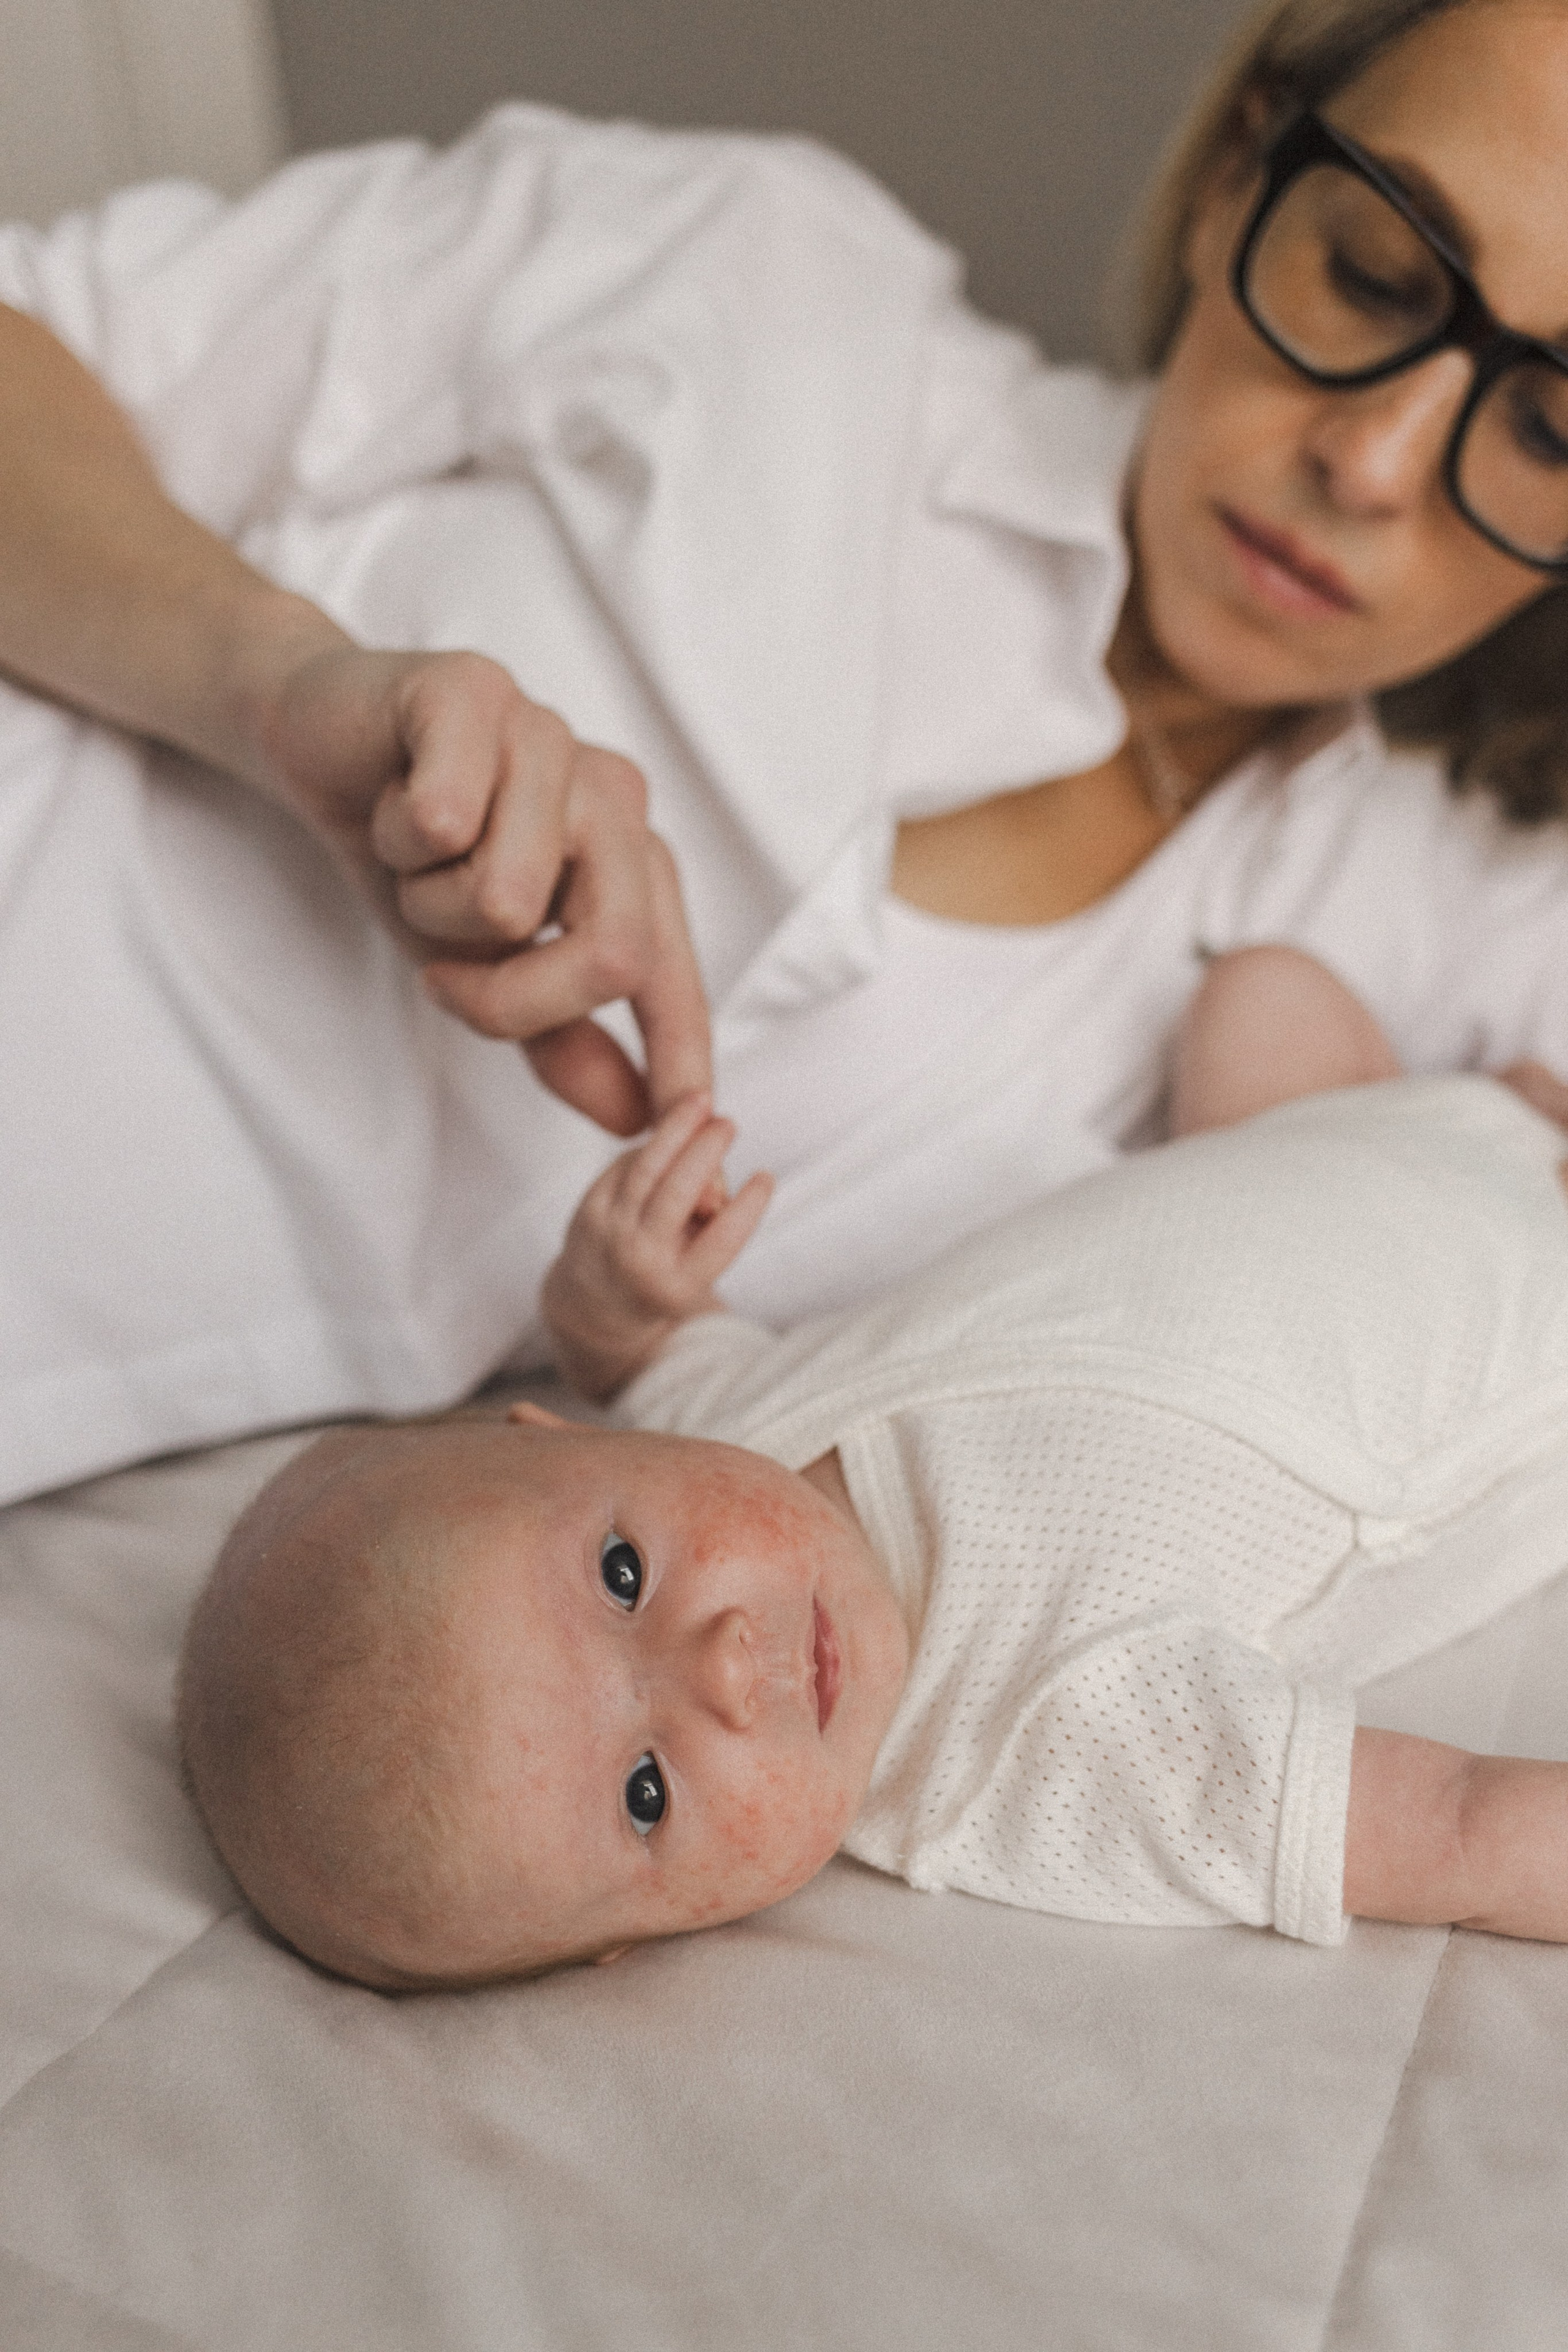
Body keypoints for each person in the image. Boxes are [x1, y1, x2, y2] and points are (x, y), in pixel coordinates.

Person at [8, 0, 1568, 1503]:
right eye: (1371, 275)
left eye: (1554, 426)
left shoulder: (1426, 919)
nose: (1368, 466)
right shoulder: (756, 276)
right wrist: (280, 682)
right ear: (1238, 179)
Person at [175, 945, 1568, 1988]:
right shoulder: (1040, 1749)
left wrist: (608, 1300)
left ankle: (1479, 1113)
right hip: (1526, 1322)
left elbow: (643, 1351)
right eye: (646, 1791)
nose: (724, 1668)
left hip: (1337, 1139)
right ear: (639, 1938)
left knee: (1253, 996)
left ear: (569, 1445)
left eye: (620, 1575)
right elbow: (1452, 1828)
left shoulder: (724, 1423)